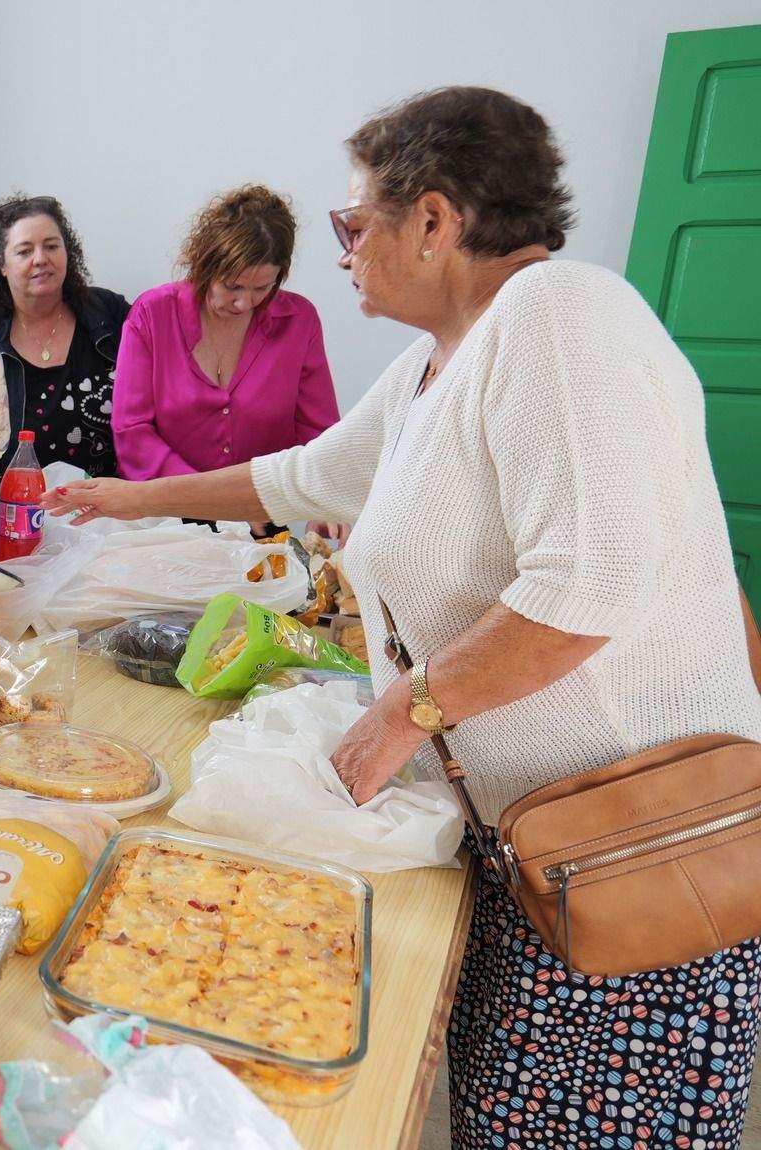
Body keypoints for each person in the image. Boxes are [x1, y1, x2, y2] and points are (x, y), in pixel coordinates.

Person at [46, 86, 761, 1148]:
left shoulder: (557, 315)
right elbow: (303, 477)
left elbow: (587, 586)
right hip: (534, 846)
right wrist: (122, 496)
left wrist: (397, 714)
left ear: (432, 220)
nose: (339, 252)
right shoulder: (440, 362)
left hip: (631, 845)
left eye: (350, 223)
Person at [112, 185, 340, 488]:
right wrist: (213, 498)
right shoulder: (152, 315)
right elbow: (131, 432)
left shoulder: (299, 321)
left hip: (258, 519)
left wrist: (325, 502)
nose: (245, 303)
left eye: (262, 289)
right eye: (233, 286)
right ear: (204, 266)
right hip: (163, 518)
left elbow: (319, 433)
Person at [0, 194, 130, 526]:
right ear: (1, 264)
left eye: (51, 246)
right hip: (3, 528)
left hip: (96, 527)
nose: (41, 259)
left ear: (68, 251)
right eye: (24, 251)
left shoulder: (109, 317)